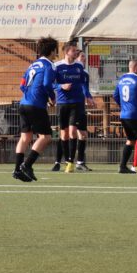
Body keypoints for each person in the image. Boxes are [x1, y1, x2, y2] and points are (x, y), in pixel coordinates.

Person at [14, 37, 59, 183]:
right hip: (36, 105)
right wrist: (52, 97)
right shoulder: (49, 65)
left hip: (24, 103)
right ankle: (26, 165)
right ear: (52, 51)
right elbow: (46, 84)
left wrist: (31, 95)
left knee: (25, 137)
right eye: (56, 50)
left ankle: (17, 170)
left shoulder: (32, 65)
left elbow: (22, 85)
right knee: (45, 137)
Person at [53, 43, 95, 173]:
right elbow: (50, 83)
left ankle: (71, 162)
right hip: (62, 103)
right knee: (64, 133)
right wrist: (61, 86)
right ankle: (65, 160)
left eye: (77, 51)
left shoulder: (79, 66)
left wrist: (88, 96)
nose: (76, 52)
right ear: (67, 52)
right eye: (74, 51)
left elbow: (82, 82)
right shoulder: (57, 66)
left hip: (76, 103)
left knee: (72, 131)